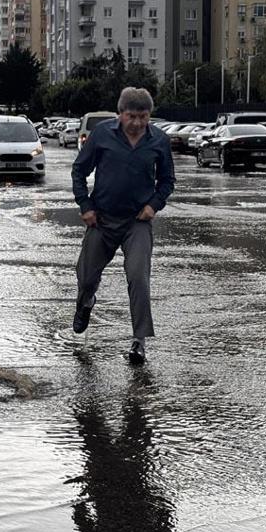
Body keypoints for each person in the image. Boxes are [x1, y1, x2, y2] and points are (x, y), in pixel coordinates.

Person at [71, 87, 175, 364]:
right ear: (120, 114)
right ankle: (86, 302)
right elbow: (79, 170)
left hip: (136, 222)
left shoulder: (159, 141)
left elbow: (166, 181)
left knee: (138, 277)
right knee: (87, 277)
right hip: (102, 219)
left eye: (144, 116)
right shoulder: (102, 135)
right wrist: (85, 206)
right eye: (132, 116)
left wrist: (153, 205)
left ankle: (139, 341)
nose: (138, 123)